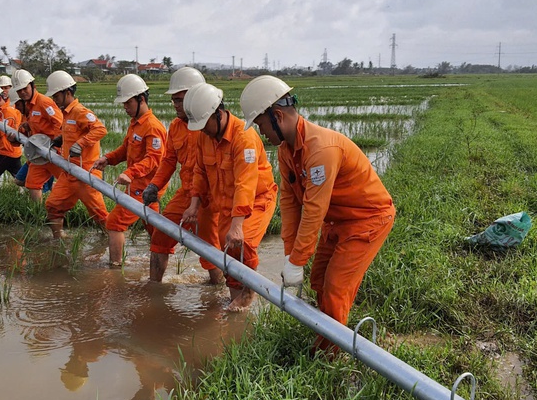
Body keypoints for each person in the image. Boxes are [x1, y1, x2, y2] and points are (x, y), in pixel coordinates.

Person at [240, 75, 395, 356]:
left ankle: (328, 354)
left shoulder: (321, 149)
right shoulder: (287, 150)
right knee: (318, 280)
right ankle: (331, 331)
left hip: (367, 219)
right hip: (337, 220)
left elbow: (313, 209)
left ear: (277, 116)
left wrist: (298, 259)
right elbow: (289, 204)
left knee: (335, 286)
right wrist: (290, 255)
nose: (261, 132)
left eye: (261, 124)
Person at [181, 83, 277, 311]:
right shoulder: (204, 136)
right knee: (229, 253)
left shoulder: (244, 138)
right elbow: (200, 171)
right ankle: (237, 305)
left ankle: (248, 291)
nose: (202, 130)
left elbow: (246, 183)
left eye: (204, 124)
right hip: (225, 203)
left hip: (256, 200)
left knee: (244, 246)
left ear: (217, 113)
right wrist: (194, 205)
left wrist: (237, 226)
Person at [141, 68, 222, 284]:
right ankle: (154, 287)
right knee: (161, 234)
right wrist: (154, 186)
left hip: (207, 198)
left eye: (179, 99)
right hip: (185, 193)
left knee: (209, 246)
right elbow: (168, 160)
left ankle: (219, 289)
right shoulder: (176, 127)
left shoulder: (208, 127)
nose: (175, 104)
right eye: (174, 100)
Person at [93, 74, 167, 268]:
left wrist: (131, 173)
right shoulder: (135, 124)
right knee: (156, 233)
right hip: (140, 189)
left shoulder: (153, 127)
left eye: (128, 103)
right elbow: (125, 150)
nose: (125, 107)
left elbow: (154, 158)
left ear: (141, 99)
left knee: (114, 223)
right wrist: (107, 159)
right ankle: (163, 261)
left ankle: (115, 268)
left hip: (144, 189)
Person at [43, 70, 109, 237]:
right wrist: (61, 139)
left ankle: (112, 240)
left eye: (56, 96)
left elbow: (100, 129)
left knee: (100, 216)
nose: (54, 101)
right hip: (69, 171)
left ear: (67, 93)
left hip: (85, 173)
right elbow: (73, 133)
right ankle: (59, 240)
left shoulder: (80, 111)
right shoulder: (66, 113)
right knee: (53, 206)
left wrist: (80, 144)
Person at [11, 69, 64, 203]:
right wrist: (26, 127)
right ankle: (38, 215)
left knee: (69, 183)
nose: (22, 92)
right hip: (39, 153)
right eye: (19, 90)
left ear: (33, 86)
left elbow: (59, 123)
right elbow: (37, 125)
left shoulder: (44, 102)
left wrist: (56, 145)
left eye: (25, 88)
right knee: (32, 185)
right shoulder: (29, 106)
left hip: (52, 152)